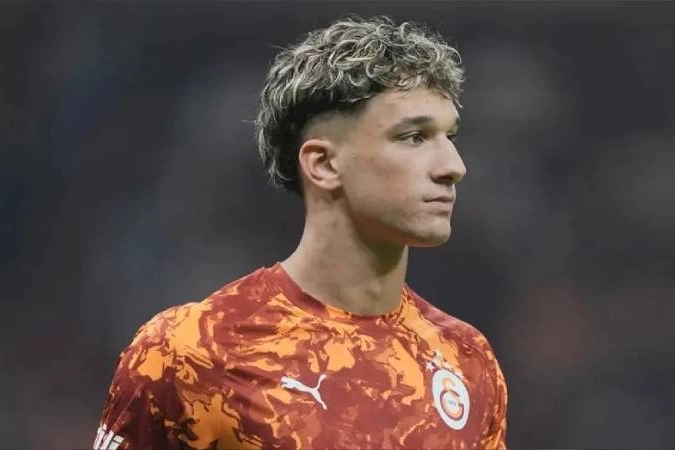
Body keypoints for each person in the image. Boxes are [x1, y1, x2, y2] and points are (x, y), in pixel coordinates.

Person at [93, 15, 507, 450]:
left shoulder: (467, 358)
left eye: (449, 135)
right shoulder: (190, 351)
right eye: (414, 137)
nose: (453, 167)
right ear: (323, 164)